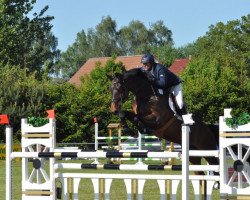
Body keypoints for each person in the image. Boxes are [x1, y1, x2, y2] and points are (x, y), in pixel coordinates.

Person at [140, 53, 194, 124]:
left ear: (151, 63)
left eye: (146, 63)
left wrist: (151, 81)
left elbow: (163, 84)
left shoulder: (160, 68)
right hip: (165, 88)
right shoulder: (145, 69)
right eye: (143, 64)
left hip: (174, 85)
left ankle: (187, 119)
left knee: (179, 103)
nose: (144, 65)